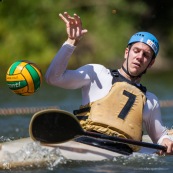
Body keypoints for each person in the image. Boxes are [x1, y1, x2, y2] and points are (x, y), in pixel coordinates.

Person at [45, 12, 173, 155]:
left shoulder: (150, 101)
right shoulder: (97, 74)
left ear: (151, 63)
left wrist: (166, 140)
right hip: (87, 144)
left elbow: (160, 137)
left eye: (146, 55)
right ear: (126, 52)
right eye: (136, 51)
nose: (139, 57)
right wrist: (71, 42)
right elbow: (53, 78)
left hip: (123, 156)